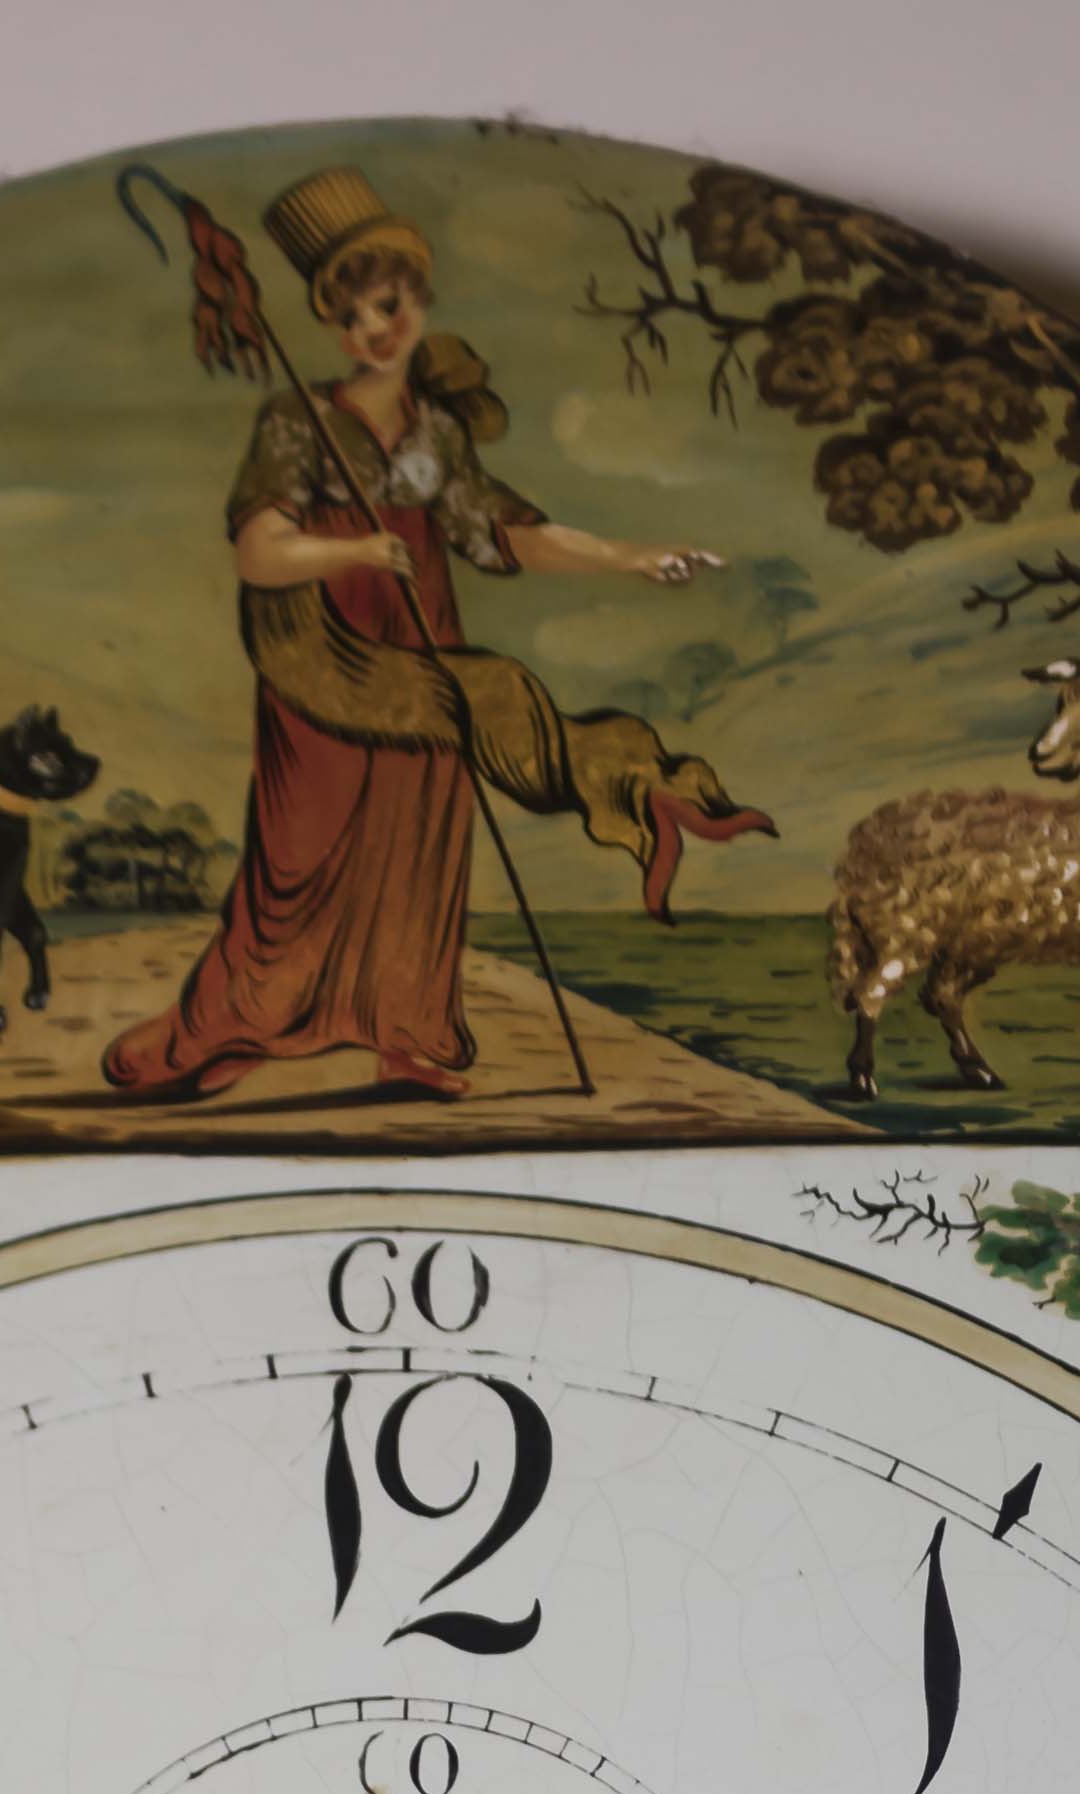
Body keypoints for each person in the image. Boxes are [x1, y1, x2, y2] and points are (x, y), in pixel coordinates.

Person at [104, 166, 772, 1105]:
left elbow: (504, 533)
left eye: (386, 304)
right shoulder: (298, 420)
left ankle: (407, 1033)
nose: (374, 329)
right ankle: (234, 1026)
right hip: (324, 654)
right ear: (332, 330)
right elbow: (258, 553)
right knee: (299, 851)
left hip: (424, 647)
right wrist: (349, 552)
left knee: (418, 841)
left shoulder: (440, 435)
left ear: (415, 299)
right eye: (351, 318)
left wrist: (630, 556)